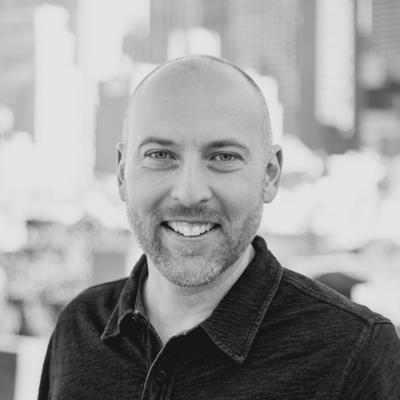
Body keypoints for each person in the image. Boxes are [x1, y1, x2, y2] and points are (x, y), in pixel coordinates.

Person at [38, 55, 400, 400]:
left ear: (270, 175)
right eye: (160, 155)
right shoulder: (78, 328)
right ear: (122, 174)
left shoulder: (355, 352)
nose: (189, 192)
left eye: (223, 157)